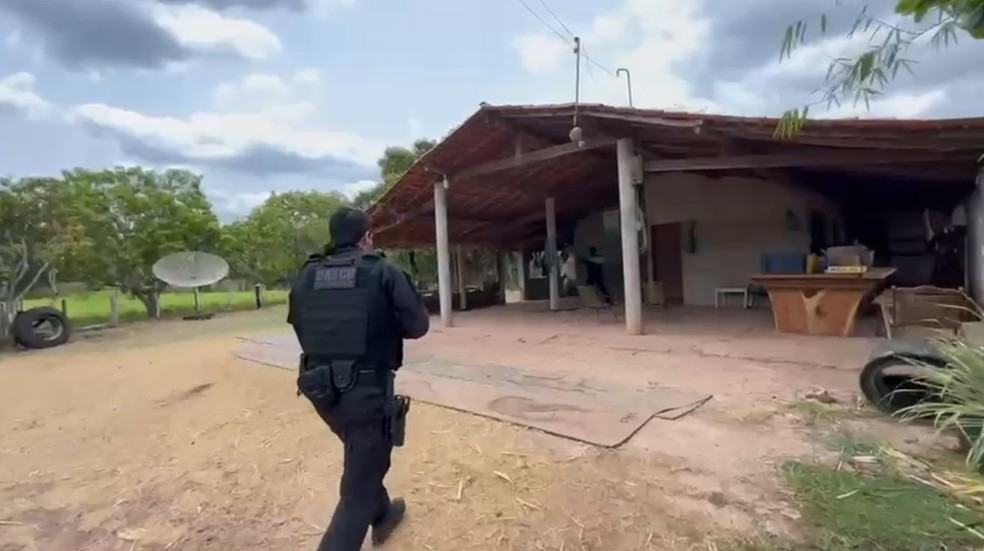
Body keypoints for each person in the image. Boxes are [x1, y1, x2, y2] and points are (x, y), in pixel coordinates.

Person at [287, 207, 430, 551]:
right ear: (367, 237)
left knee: (362, 454)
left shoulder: (307, 274)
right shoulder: (382, 271)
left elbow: (298, 321)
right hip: (365, 393)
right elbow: (418, 326)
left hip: (321, 391)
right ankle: (370, 507)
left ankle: (382, 516)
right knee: (358, 489)